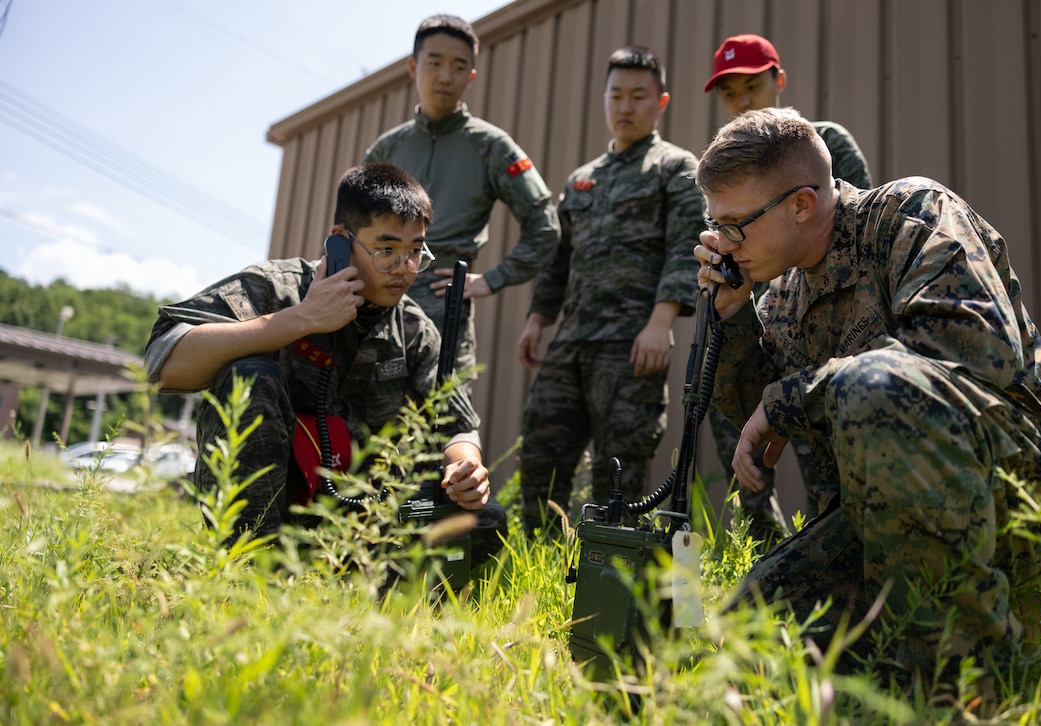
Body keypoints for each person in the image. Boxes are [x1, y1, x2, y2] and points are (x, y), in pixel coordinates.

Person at [694, 106, 1041, 698]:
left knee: (877, 383)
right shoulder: (779, 294)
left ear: (801, 204)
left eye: (735, 225)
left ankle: (970, 685)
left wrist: (790, 396)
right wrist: (732, 318)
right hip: (882, 522)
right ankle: (906, 657)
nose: (723, 242)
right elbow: (760, 416)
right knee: (745, 644)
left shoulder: (912, 214)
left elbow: (973, 351)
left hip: (1020, 492)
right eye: (714, 224)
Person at [144, 162, 506, 565]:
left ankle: (368, 592)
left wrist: (466, 467)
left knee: (487, 522)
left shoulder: (413, 329)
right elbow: (166, 361)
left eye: (415, 251)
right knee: (249, 375)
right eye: (386, 250)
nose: (404, 268)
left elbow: (458, 426)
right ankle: (248, 573)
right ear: (340, 242)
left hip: (363, 517)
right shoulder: (275, 287)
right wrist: (300, 319)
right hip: (272, 507)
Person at [517, 46, 704, 538]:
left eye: (638, 96)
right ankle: (536, 572)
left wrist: (661, 323)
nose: (625, 107)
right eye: (616, 95)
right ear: (604, 99)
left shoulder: (674, 167)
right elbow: (559, 258)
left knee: (618, 474)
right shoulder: (582, 179)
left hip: (631, 346)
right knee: (541, 461)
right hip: (572, 343)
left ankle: (609, 588)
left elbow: (685, 244)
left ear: (659, 102)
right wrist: (538, 320)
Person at [702, 32, 873, 544]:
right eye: (729, 93)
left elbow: (853, 222)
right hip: (760, 323)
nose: (741, 100)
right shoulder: (722, 170)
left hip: (827, 323)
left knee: (823, 454)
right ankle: (763, 546)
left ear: (778, 80)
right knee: (739, 441)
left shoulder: (823, 142)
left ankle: (836, 533)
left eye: (751, 85)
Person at [363, 14, 560, 383]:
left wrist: (491, 280)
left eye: (458, 66)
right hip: (374, 306)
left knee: (440, 421)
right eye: (434, 63)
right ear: (413, 66)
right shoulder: (387, 148)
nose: (444, 76)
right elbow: (349, 230)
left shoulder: (492, 147)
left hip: (441, 304)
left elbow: (544, 228)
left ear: (471, 75)